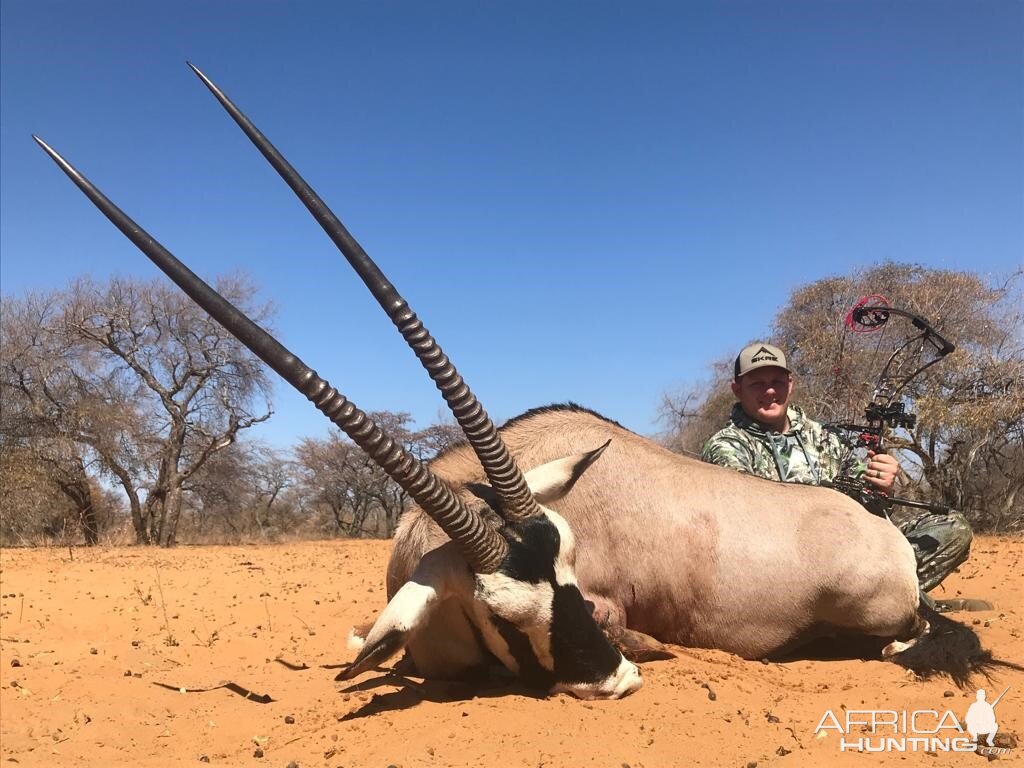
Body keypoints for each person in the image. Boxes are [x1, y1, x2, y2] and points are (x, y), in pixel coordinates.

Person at [701, 342, 975, 607]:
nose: (770, 391)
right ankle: (892, 608)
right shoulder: (726, 447)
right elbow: (742, 528)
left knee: (953, 527)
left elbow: (866, 496)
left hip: (850, 557)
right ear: (737, 390)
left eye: (777, 382)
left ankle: (885, 604)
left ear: (791, 384)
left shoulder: (824, 437)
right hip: (786, 567)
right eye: (757, 384)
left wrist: (883, 481)